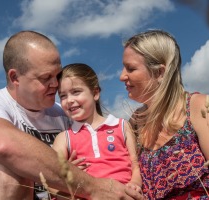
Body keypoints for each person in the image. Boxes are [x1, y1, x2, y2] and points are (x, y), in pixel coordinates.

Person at [0, 30, 143, 200]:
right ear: (15, 78)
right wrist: (92, 186)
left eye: (57, 76)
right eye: (46, 78)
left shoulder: (64, 114)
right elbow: (3, 146)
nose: (56, 84)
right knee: (7, 169)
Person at [119, 29, 209, 199]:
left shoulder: (201, 108)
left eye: (130, 69)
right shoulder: (134, 124)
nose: (122, 76)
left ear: (160, 72)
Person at [52, 63, 142, 196]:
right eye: (63, 96)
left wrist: (135, 183)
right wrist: (67, 175)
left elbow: (135, 164)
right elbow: (52, 180)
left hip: (123, 194)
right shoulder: (64, 138)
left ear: (95, 93)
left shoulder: (121, 126)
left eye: (76, 92)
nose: (69, 100)